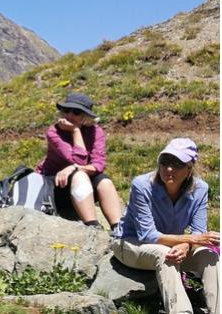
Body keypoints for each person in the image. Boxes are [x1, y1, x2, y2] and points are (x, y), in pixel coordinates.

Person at [112, 138, 218, 314]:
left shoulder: (201, 189)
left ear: (189, 169)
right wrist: (191, 239)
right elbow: (147, 235)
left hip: (173, 245)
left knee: (209, 255)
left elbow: (199, 230)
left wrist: (187, 245)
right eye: (165, 162)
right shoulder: (142, 185)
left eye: (177, 164)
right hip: (130, 244)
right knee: (164, 254)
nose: (169, 169)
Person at [35, 92, 122, 229]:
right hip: (55, 186)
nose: (69, 115)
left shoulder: (96, 132)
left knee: (104, 181)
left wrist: (73, 168)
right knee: (80, 175)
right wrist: (75, 131)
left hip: (80, 186)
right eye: (66, 110)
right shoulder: (54, 132)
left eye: (76, 112)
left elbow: (99, 164)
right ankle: (92, 226)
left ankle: (118, 228)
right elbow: (79, 161)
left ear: (84, 117)